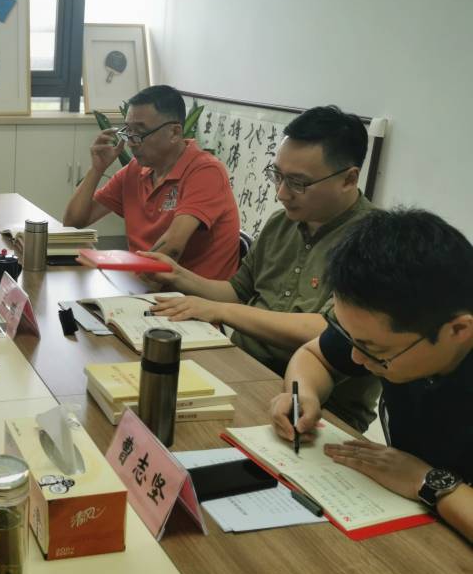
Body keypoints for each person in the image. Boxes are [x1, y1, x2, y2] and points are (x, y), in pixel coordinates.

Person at [145, 105, 380, 431]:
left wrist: (220, 311)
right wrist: (177, 274)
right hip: (241, 366)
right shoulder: (281, 224)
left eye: (298, 183)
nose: (281, 193)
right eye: (277, 175)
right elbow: (237, 291)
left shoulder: (375, 243)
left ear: (349, 178)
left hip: (323, 407)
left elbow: (325, 331)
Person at [269, 209, 471, 541]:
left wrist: (425, 480)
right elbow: (314, 355)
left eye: (374, 349)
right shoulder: (385, 322)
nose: (356, 358)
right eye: (350, 338)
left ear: (459, 331)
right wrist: (302, 394)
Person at [63, 84, 240, 280]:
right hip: (146, 284)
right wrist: (97, 169)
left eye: (140, 132)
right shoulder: (135, 170)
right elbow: (73, 222)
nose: (131, 142)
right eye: (128, 131)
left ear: (174, 132)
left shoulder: (205, 172)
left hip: (188, 294)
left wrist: (130, 289)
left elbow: (172, 247)